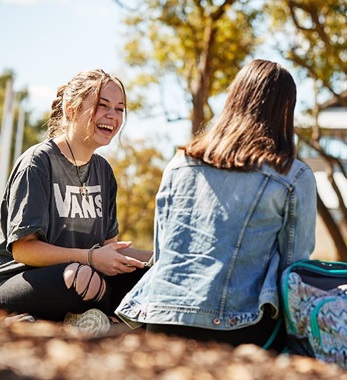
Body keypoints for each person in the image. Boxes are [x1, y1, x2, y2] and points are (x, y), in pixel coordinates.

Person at [116, 59, 317, 352]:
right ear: (285, 110)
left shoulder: (178, 163)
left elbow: (162, 254)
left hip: (159, 316)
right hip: (238, 326)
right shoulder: (292, 174)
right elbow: (293, 269)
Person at [0, 69, 152, 335]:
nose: (113, 115)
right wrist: (90, 258)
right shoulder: (37, 163)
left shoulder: (104, 172)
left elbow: (110, 252)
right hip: (13, 281)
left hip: (84, 275)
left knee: (152, 276)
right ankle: (29, 319)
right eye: (102, 106)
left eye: (119, 109)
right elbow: (24, 251)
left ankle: (80, 319)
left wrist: (164, 260)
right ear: (72, 109)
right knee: (80, 277)